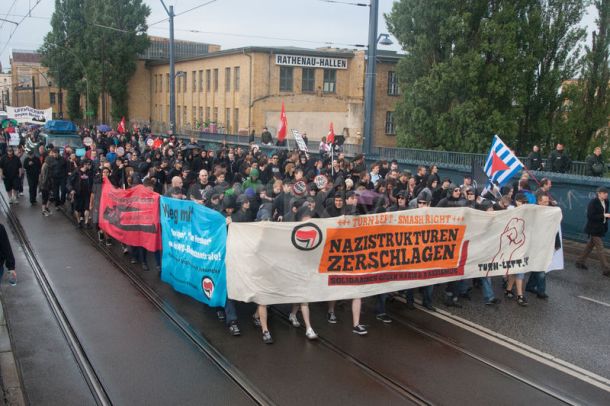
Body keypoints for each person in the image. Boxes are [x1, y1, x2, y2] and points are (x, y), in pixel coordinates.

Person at [575, 186, 610, 277]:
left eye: (607, 193)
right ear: (599, 193)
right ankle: (606, 269)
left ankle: (580, 261)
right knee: (600, 248)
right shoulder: (593, 202)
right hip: (593, 228)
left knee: (589, 246)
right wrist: (604, 215)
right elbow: (590, 216)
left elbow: (605, 215)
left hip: (600, 228)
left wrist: (606, 218)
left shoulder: (606, 202)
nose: (606, 194)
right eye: (604, 193)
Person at [525, 194, 552, 297]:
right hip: (535, 244)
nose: (547, 204)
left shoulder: (550, 212)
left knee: (538, 266)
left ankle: (530, 286)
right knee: (541, 267)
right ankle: (541, 291)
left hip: (544, 244)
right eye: (545, 202)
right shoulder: (534, 212)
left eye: (547, 202)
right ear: (539, 202)